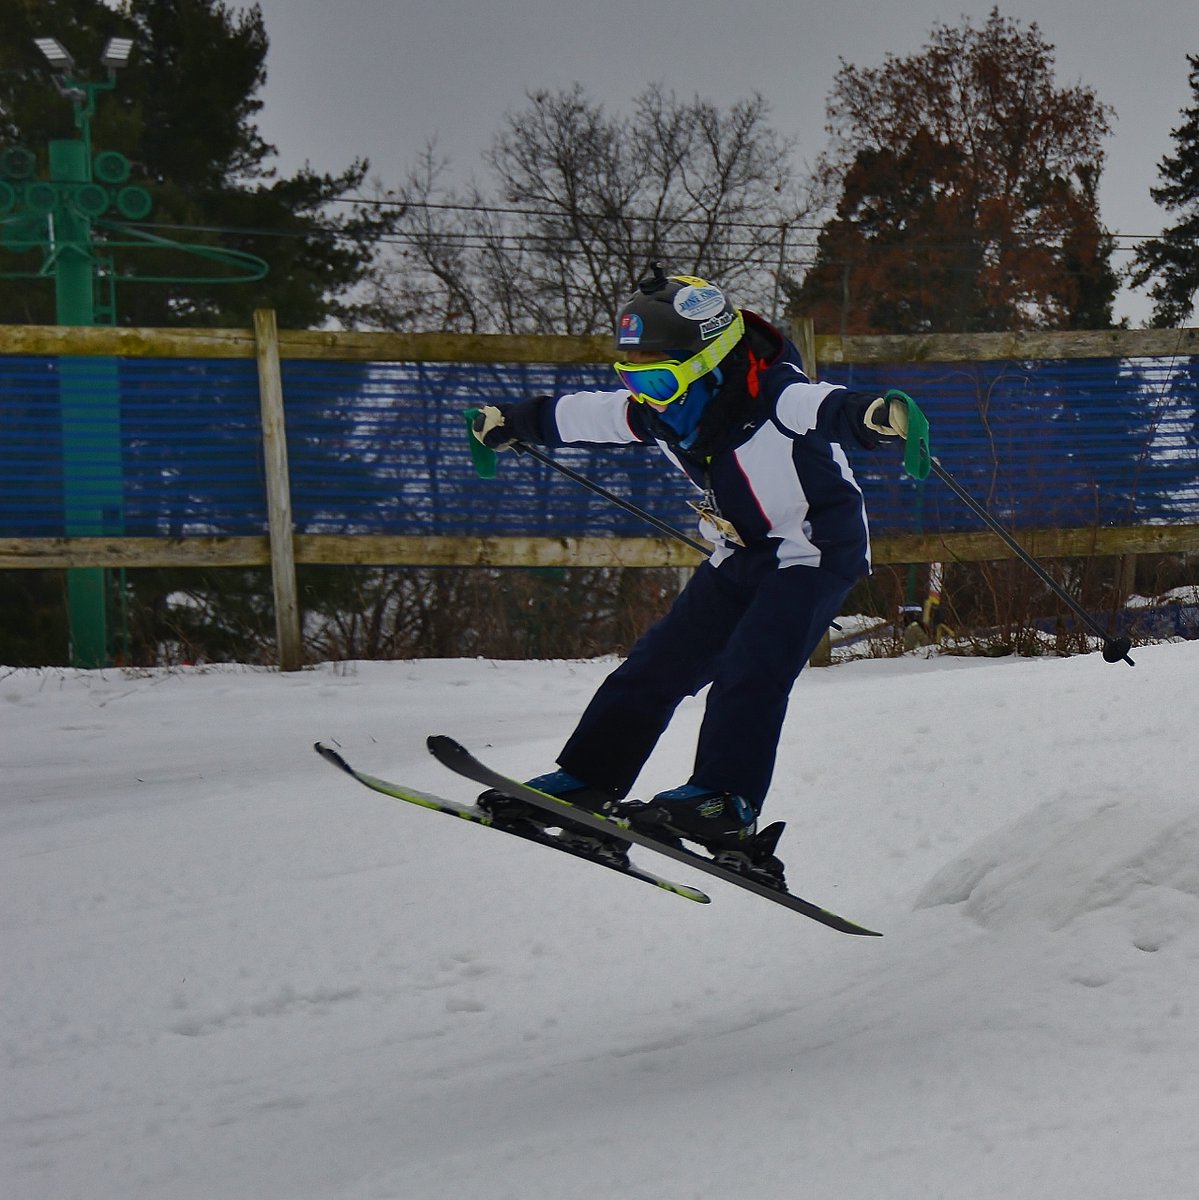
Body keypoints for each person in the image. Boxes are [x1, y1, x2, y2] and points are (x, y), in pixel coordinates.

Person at [470, 264, 918, 887]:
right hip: (739, 555)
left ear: (707, 357)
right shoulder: (662, 410)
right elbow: (584, 415)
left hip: (813, 553)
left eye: (658, 375)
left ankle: (725, 802)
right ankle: (588, 778)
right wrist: (514, 422)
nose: (647, 393)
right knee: (656, 665)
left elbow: (830, 408)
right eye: (634, 376)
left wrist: (879, 414)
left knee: (751, 668)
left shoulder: (775, 395)